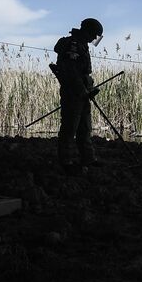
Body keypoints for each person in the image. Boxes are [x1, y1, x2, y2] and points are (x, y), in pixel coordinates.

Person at [51, 17, 103, 174]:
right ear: (87, 31)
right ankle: (66, 161)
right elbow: (71, 72)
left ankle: (88, 158)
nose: (95, 39)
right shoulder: (73, 45)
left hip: (82, 94)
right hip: (73, 93)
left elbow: (83, 73)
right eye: (94, 35)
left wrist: (89, 89)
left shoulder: (82, 45)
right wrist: (82, 91)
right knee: (69, 128)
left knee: (84, 127)